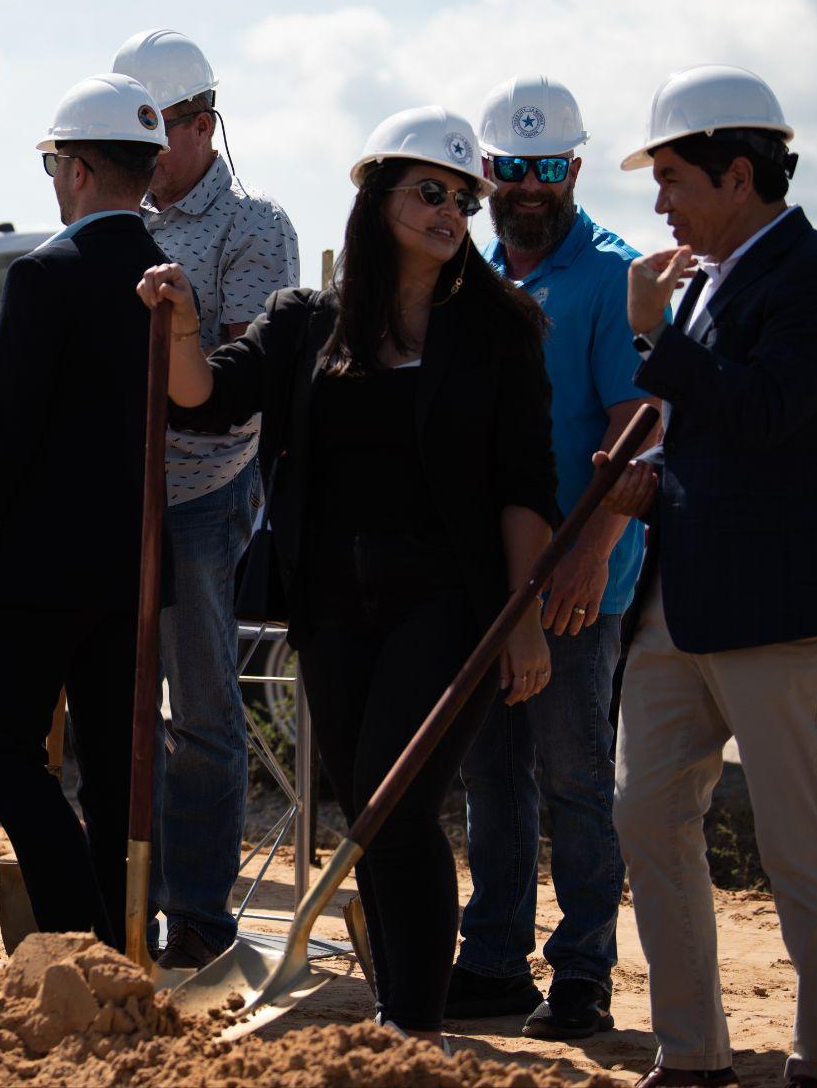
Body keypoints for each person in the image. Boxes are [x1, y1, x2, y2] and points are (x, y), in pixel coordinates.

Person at [139, 106, 559, 1042]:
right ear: (376, 197)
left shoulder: (501, 331)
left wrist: (524, 617)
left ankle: (412, 1021)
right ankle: (398, 1013)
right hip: (331, 609)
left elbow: (527, 484)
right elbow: (207, 398)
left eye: (463, 200)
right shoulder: (305, 323)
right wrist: (184, 327)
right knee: (366, 807)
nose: (450, 212)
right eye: (431, 191)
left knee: (394, 801)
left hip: (449, 606)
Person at [602, 66, 817, 1088]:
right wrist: (654, 477)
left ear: (736, 173)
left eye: (671, 178)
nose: (659, 204)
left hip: (778, 611)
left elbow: (766, 413)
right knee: (644, 812)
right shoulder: (713, 281)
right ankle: (691, 1054)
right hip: (681, 603)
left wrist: (652, 334)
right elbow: (721, 433)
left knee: (798, 842)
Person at [0, 72, 174, 950]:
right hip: (132, 568)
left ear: (81, 169)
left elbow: (10, 441)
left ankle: (77, 936)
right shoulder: (167, 280)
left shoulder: (45, 274)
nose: (55, 179)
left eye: (55, 163)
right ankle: (120, 949)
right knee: (115, 776)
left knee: (2, 750)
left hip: (40, 571)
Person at [451, 77, 654, 1038]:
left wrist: (590, 554)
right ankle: (495, 961)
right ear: (487, 170)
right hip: (490, 583)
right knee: (492, 780)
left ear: (573, 166)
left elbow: (638, 425)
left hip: (578, 581)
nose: (529, 185)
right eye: (512, 167)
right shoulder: (469, 273)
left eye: (547, 166)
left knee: (574, 779)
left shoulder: (612, 274)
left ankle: (582, 972)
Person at [110, 29, 300, 969]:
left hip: (201, 491)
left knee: (201, 711)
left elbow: (233, 377)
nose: (144, 154)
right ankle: (128, 904)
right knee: (119, 708)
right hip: (118, 491)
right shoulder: (116, 218)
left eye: (156, 132)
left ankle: (196, 916)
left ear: (203, 124)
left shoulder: (254, 225)